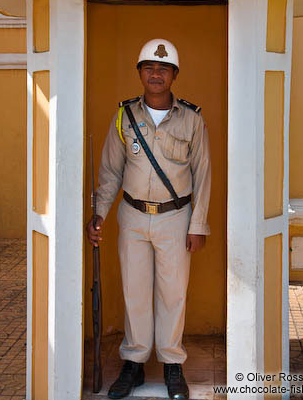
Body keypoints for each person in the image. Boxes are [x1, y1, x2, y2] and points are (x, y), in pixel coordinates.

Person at [87, 38, 211, 400]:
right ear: (140, 73)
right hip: (133, 216)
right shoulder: (124, 116)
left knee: (173, 294)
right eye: (149, 67)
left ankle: (173, 365)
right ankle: (135, 363)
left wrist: (198, 224)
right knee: (135, 292)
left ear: (174, 75)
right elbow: (111, 171)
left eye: (163, 68)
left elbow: (203, 175)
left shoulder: (191, 118)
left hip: (176, 218)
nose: (156, 74)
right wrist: (99, 213)